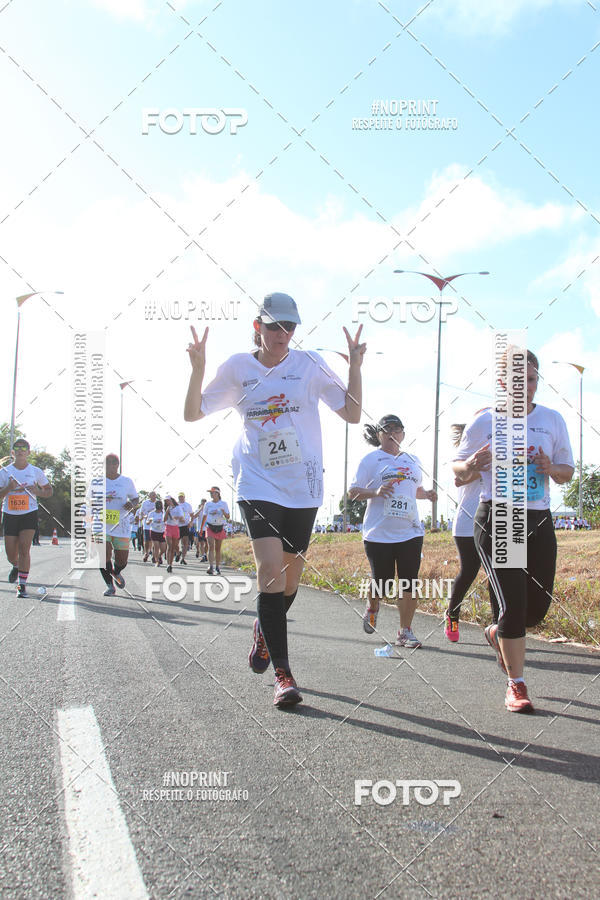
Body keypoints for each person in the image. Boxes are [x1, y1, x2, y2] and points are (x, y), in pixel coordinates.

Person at [184, 291, 365, 708]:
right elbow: (193, 413)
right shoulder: (237, 368)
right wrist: (197, 370)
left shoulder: (310, 364)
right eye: (274, 326)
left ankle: (264, 631)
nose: (283, 334)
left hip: (302, 485)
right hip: (257, 481)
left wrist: (355, 369)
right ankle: (283, 675)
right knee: (269, 570)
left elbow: (352, 414)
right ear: (257, 327)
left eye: (290, 327)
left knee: (289, 579)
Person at [453, 350, 574, 714]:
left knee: (536, 609)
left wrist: (550, 466)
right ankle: (516, 684)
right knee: (514, 604)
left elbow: (567, 470)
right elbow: (458, 471)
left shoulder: (552, 419)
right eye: (518, 380)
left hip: (538, 517)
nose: (527, 386)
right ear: (503, 383)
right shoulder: (484, 422)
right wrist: (472, 464)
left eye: (532, 379)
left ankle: (496, 632)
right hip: (499, 517)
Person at [349, 415, 436, 648]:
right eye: (387, 429)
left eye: (398, 429)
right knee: (383, 581)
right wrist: (375, 492)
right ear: (379, 434)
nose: (393, 433)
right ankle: (373, 606)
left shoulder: (412, 460)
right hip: (379, 532)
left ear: (403, 435)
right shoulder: (371, 460)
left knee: (409, 580)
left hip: (411, 531)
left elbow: (414, 490)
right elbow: (353, 493)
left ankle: (405, 631)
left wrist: (426, 494)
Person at [444, 420, 497, 642]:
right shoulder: (467, 455)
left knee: (501, 574)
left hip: (499, 518)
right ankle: (452, 615)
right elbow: (459, 479)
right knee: (469, 571)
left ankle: (500, 627)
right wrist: (486, 465)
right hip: (468, 519)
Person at [0, 438, 53, 597]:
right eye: (17, 447)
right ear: (13, 452)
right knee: (10, 554)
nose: (21, 450)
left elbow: (49, 491)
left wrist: (38, 491)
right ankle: (16, 566)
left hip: (29, 513)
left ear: (29, 452)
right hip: (10, 514)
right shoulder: (4, 472)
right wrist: (9, 488)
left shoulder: (35, 471)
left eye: (24, 448)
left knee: (24, 548)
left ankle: (21, 586)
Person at [99, 454, 138, 597]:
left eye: (114, 462)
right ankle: (110, 586)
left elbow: (135, 498)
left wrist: (132, 504)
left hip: (121, 526)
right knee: (104, 556)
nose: (111, 465)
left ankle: (117, 572)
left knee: (122, 560)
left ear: (118, 464)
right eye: (108, 462)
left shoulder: (126, 481)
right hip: (102, 524)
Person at [199, 487, 230, 575]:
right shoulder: (208, 504)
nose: (211, 494)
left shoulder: (223, 504)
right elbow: (204, 516)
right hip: (210, 526)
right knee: (210, 546)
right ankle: (211, 566)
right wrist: (201, 528)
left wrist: (223, 512)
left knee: (218, 548)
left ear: (218, 494)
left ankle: (217, 567)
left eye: (213, 493)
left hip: (219, 527)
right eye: (210, 493)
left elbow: (228, 517)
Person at [163, 496, 184, 573]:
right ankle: (169, 564)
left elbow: (182, 518)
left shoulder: (178, 508)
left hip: (175, 527)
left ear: (171, 500)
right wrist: (167, 511)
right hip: (168, 527)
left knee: (174, 546)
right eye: (166, 501)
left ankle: (178, 553)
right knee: (169, 546)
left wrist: (177, 517)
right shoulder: (166, 508)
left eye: (168, 500)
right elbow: (164, 520)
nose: (167, 502)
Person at [146, 499, 166, 566]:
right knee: (156, 546)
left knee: (163, 548)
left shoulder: (164, 513)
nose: (159, 509)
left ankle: (159, 556)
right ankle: (157, 561)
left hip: (162, 531)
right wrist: (149, 521)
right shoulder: (152, 513)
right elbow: (147, 522)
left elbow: (167, 520)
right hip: (154, 531)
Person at [139, 491, 157, 562]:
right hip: (146, 525)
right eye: (152, 495)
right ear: (149, 496)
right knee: (147, 540)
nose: (153, 497)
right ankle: (146, 553)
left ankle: (153, 554)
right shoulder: (145, 503)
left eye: (154, 495)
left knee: (153, 541)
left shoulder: (158, 503)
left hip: (155, 526)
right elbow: (141, 512)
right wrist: (143, 517)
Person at [177, 492, 194, 565]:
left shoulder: (188, 505)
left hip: (185, 525)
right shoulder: (176, 505)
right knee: (175, 543)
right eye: (179, 497)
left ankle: (183, 558)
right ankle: (178, 553)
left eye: (182, 497)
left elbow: (192, 515)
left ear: (184, 497)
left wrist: (191, 522)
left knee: (185, 543)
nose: (181, 498)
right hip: (177, 525)